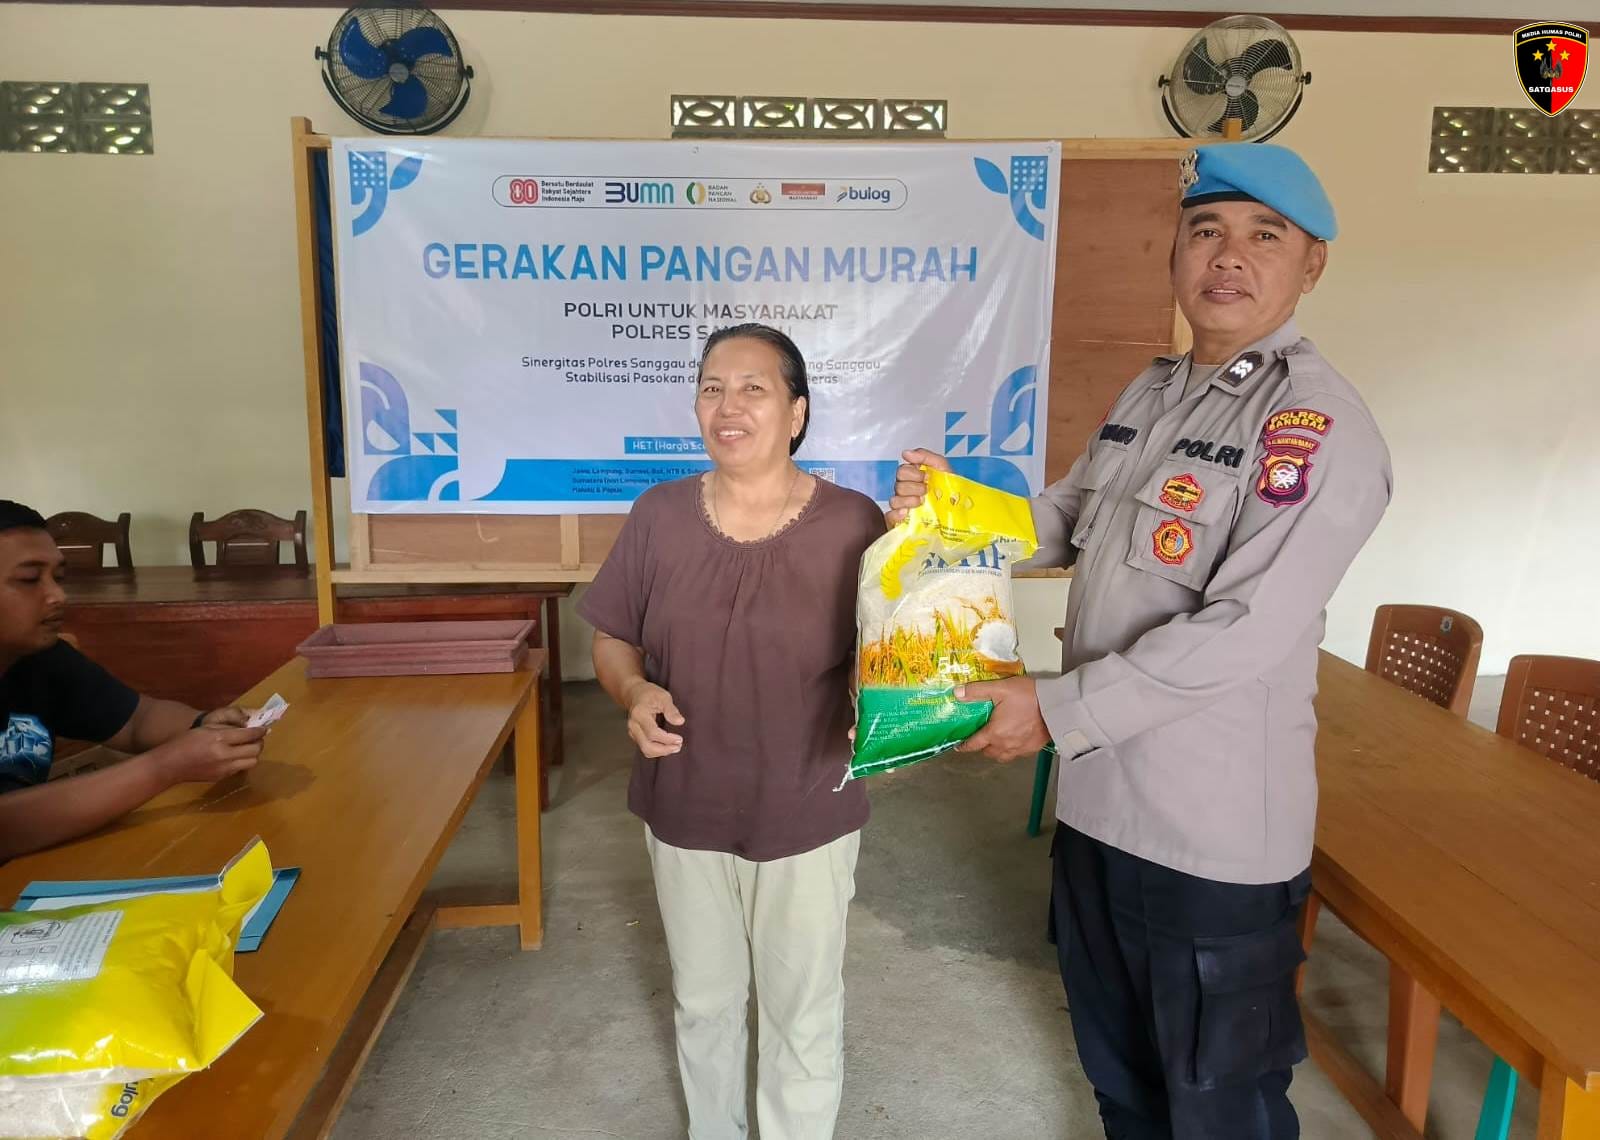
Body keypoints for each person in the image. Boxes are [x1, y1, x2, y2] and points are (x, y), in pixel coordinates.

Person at [890, 143, 1392, 1139]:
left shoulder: (1313, 425)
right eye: (1206, 230)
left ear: (1312, 265)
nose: (1228, 255)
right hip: (1100, 806)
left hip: (1206, 835)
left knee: (1217, 1107)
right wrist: (951, 513)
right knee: (1121, 1083)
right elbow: (1062, 516)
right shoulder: (1153, 392)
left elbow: (1245, 629)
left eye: (1264, 236)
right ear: (1175, 252)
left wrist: (1051, 709)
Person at [580, 324, 885, 1140]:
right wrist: (634, 689)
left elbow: (890, 657)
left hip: (806, 805)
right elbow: (612, 637)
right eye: (712, 388)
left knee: (802, 1010)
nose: (728, 406)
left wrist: (880, 701)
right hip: (686, 801)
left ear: (797, 412)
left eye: (754, 388)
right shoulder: (659, 516)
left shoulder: (853, 523)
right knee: (704, 1000)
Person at [0, 500, 268, 862]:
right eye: (30, 580)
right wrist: (166, 766)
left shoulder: (42, 660)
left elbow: (135, 719)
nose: (58, 596)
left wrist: (202, 724)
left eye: (58, 578)